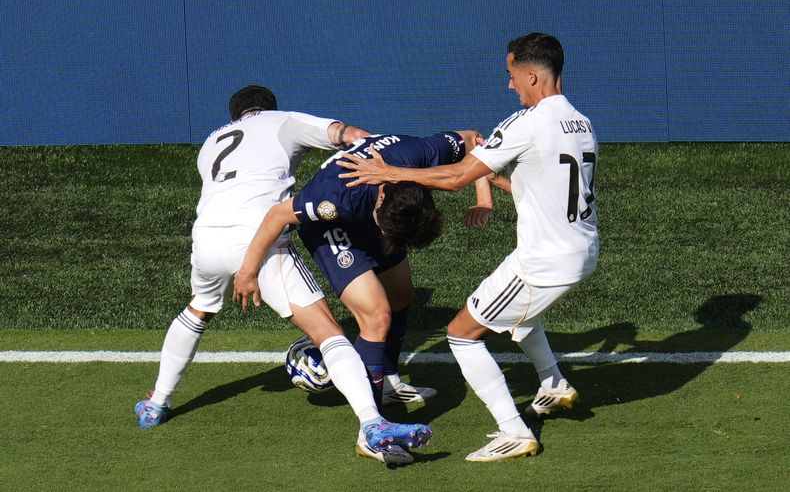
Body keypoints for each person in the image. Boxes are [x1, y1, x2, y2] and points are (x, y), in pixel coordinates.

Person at [134, 85, 431, 465]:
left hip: (206, 238)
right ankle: (373, 425)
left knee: (199, 309)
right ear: (267, 108)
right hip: (258, 236)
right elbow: (352, 137)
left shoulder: (212, 140)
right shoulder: (283, 121)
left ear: (235, 115)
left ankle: (156, 402)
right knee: (329, 334)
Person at [337, 33, 599, 461]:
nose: (509, 85)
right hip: (582, 247)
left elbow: (457, 175)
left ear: (532, 74)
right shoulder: (581, 122)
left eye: (512, 75)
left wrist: (388, 171)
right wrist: (495, 183)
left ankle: (514, 431)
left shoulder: (526, 122)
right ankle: (552, 383)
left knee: (462, 333)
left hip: (545, 260)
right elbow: (549, 187)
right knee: (519, 315)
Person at [233, 130, 489, 409]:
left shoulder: (421, 154)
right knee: (377, 316)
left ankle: (387, 380)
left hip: (370, 214)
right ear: (381, 197)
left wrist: (484, 198)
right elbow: (277, 215)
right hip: (333, 228)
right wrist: (247, 271)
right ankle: (373, 422)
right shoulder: (334, 197)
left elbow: (475, 141)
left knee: (401, 295)